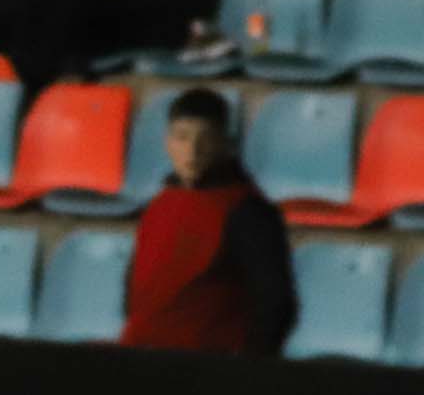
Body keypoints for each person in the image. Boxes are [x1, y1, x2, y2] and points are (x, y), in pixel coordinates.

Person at [120, 88, 299, 356]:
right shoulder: (158, 205)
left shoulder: (248, 211)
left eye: (206, 138)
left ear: (225, 143)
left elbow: (275, 303)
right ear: (168, 142)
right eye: (182, 137)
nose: (192, 150)